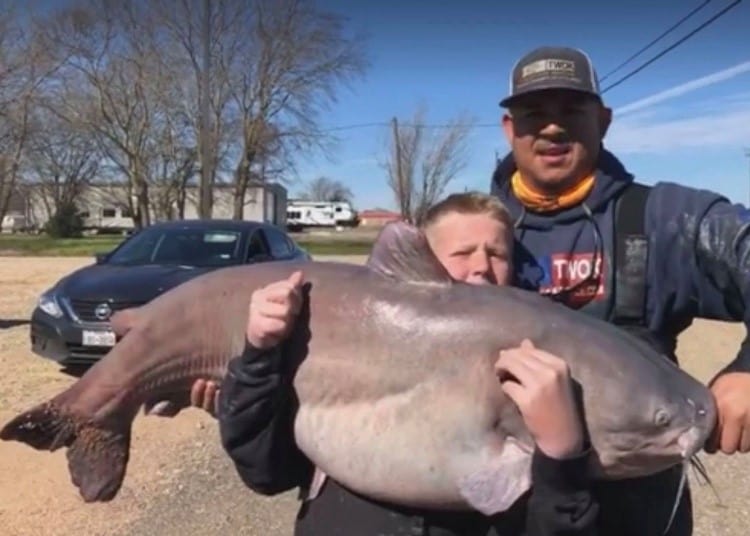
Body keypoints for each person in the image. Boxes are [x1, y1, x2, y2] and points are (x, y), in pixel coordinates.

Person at [191, 192, 601, 535]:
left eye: (497, 254)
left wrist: (561, 457)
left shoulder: (532, 374)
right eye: (462, 252)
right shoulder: (338, 342)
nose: (481, 266)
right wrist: (257, 362)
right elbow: (266, 472)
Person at [489, 45, 750, 535]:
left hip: (636, 510)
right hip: (507, 505)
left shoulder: (668, 218)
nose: (551, 127)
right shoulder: (474, 233)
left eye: (571, 111)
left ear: (603, 121)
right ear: (509, 129)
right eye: (533, 114)